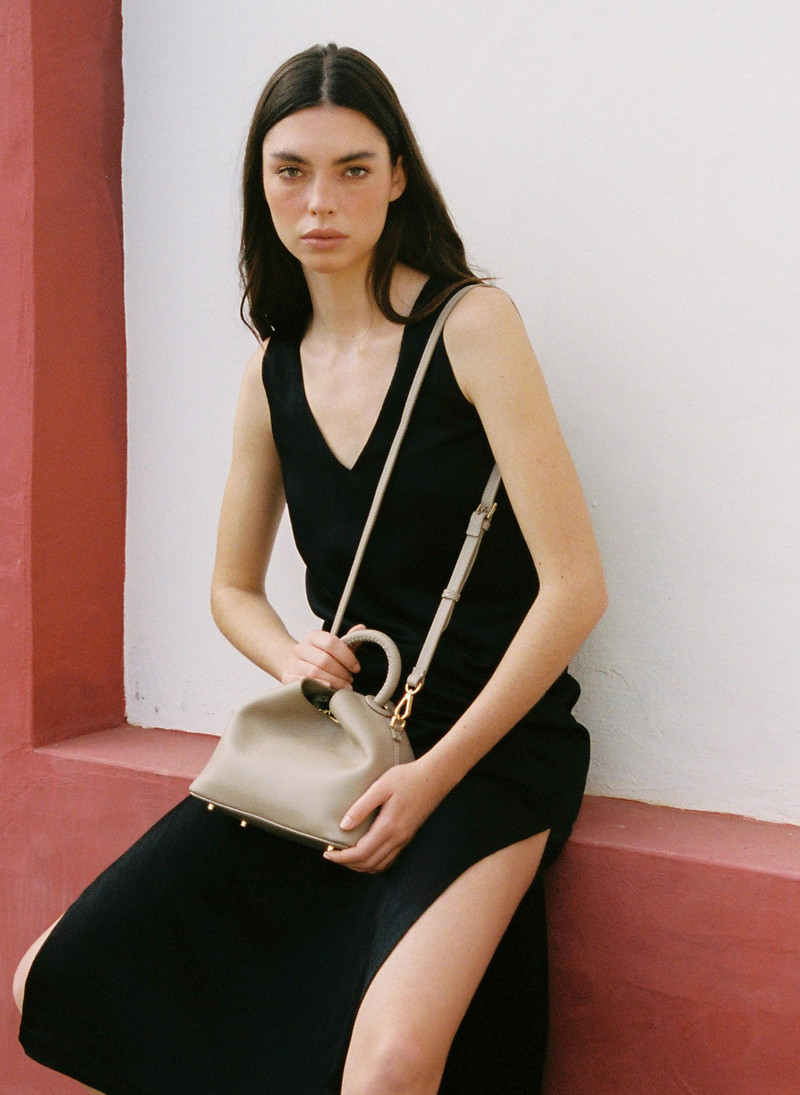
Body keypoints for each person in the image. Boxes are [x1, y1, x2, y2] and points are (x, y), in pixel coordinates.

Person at [14, 43, 606, 1095]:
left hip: (490, 748)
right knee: (58, 975)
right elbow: (230, 589)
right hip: (341, 741)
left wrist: (431, 778)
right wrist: (292, 654)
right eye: (290, 171)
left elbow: (574, 589)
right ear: (261, 184)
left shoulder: (470, 327)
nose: (320, 201)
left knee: (388, 1067)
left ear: (397, 177)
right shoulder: (271, 367)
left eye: (352, 169)